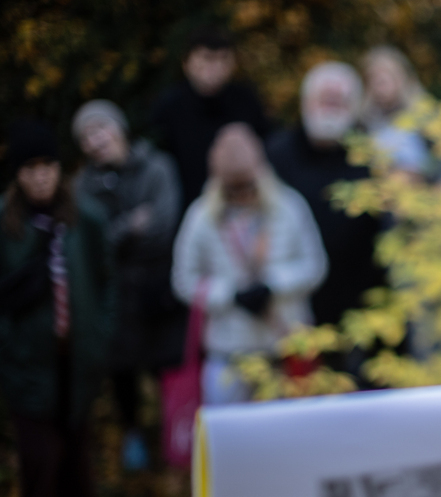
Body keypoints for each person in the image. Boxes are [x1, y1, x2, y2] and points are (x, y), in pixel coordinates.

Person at [0, 121, 113, 497]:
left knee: (76, 442)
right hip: (28, 357)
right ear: (18, 175)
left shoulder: (85, 218)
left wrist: (100, 335)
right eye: (30, 169)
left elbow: (106, 282)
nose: (40, 177)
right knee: (38, 451)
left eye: (47, 166)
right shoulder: (7, 224)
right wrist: (9, 346)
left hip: (78, 356)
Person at [172, 123, 327, 406]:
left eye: (248, 185)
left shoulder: (288, 207)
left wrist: (274, 285)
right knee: (230, 440)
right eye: (234, 188)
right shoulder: (201, 217)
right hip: (228, 354)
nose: (243, 195)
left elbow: (315, 266)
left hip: (284, 347)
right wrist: (229, 295)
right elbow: (183, 280)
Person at [73, 100, 183, 470]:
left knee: (168, 367)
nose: (96, 140)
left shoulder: (157, 167)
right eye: (86, 136)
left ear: (119, 129)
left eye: (100, 128)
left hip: (160, 287)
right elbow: (92, 244)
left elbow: (163, 228)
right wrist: (129, 227)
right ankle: (134, 435)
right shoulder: (83, 186)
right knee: (122, 370)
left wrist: (118, 234)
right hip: (116, 293)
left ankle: (175, 438)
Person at [266, 62, 386, 338]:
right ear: (306, 101)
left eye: (339, 101)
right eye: (324, 99)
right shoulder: (276, 155)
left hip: (358, 304)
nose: (330, 109)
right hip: (291, 306)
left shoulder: (370, 157)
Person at [152, 25, 272, 210]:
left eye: (223, 59)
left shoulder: (246, 101)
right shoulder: (169, 106)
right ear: (187, 63)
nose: (215, 67)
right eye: (207, 58)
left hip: (240, 205)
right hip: (184, 206)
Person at [359, 46, 432, 177]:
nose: (381, 81)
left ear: (403, 77)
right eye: (374, 76)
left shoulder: (425, 115)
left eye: (388, 73)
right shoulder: (362, 121)